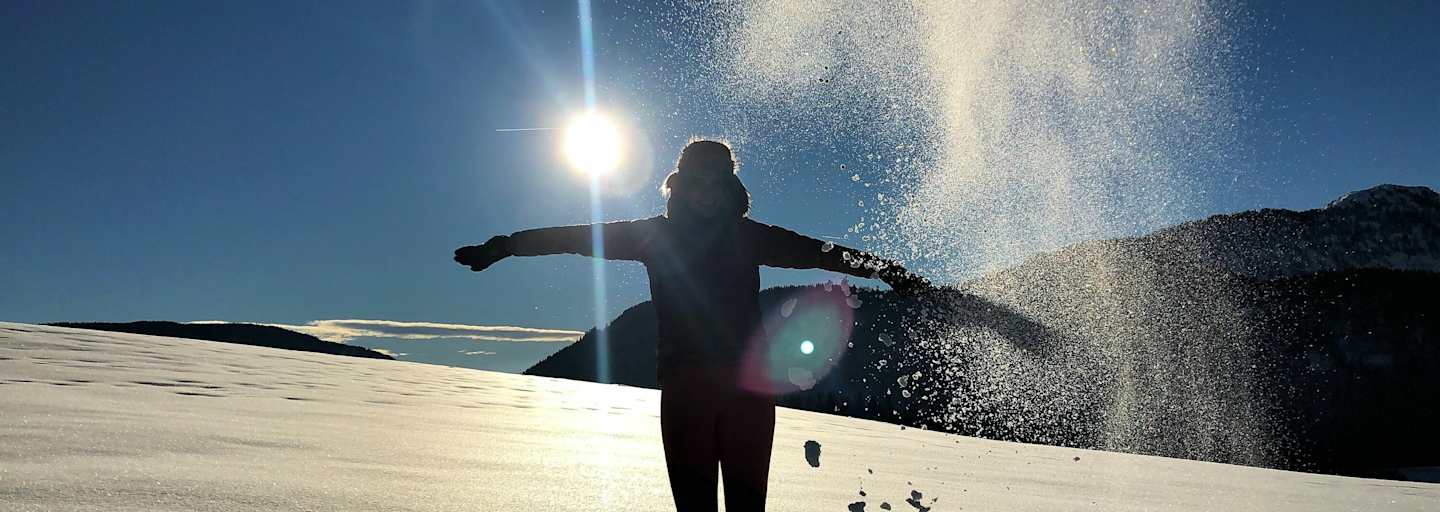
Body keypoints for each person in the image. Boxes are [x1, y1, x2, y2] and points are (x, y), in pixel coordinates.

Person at [454, 139, 930, 511]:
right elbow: (576, 237)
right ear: (678, 185)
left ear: (730, 189)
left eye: (715, 184)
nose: (705, 193)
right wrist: (507, 245)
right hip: (686, 392)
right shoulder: (650, 236)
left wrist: (884, 269)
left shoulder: (750, 237)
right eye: (696, 182)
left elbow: (818, 252)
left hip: (748, 394)